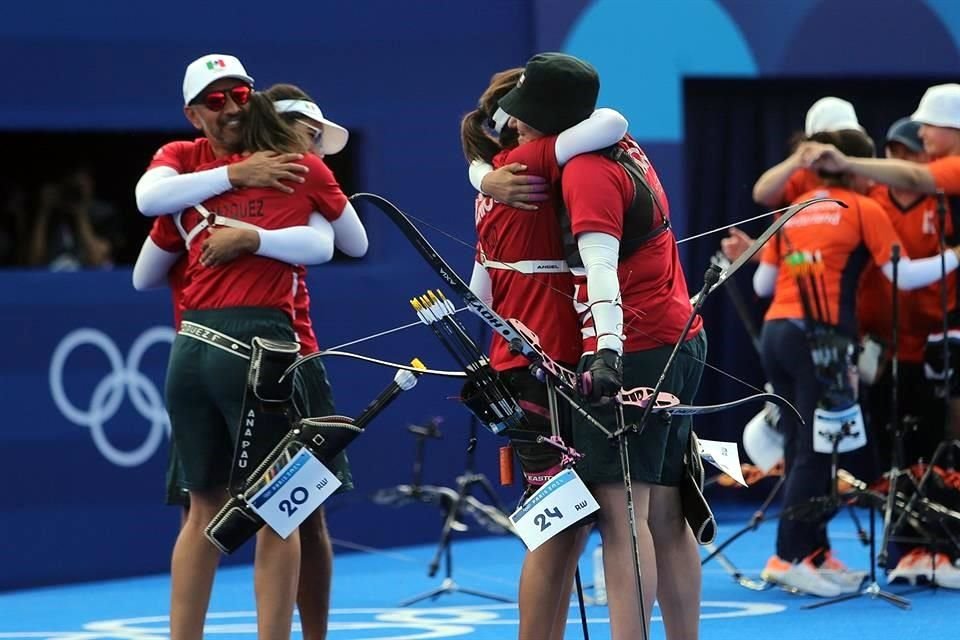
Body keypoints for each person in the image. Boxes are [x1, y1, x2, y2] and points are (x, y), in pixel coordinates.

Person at [133, 54, 362, 640]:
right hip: (268, 351)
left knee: (213, 509)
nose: (232, 106)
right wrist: (239, 187)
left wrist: (247, 236)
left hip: (195, 346)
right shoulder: (268, 169)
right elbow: (346, 244)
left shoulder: (193, 191)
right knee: (283, 512)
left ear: (254, 99)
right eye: (216, 100)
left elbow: (145, 273)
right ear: (193, 114)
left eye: (239, 94)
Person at [482, 51, 706, 640]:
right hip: (678, 339)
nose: (517, 126)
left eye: (527, 116)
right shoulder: (622, 147)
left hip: (633, 350)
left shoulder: (582, 169)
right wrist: (482, 175)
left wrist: (605, 350)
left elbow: (600, 266)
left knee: (621, 515)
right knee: (664, 511)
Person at [754, 128, 960, 597]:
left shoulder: (793, 210)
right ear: (855, 171)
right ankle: (788, 558)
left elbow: (762, 285)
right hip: (821, 341)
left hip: (777, 334)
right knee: (816, 451)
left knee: (798, 447)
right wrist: (954, 257)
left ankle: (809, 552)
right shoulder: (863, 207)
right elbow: (903, 276)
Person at [461, 61, 627, 640]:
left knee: (565, 526)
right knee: (557, 528)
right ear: (517, 123)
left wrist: (480, 176)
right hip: (541, 365)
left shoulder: (496, 177)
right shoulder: (527, 162)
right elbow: (613, 122)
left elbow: (479, 291)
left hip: (518, 364)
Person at [721, 97, 865, 262]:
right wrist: (799, 157)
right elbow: (762, 194)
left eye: (844, 139)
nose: (835, 147)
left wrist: (848, 164)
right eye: (830, 140)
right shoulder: (801, 177)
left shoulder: (861, 170)